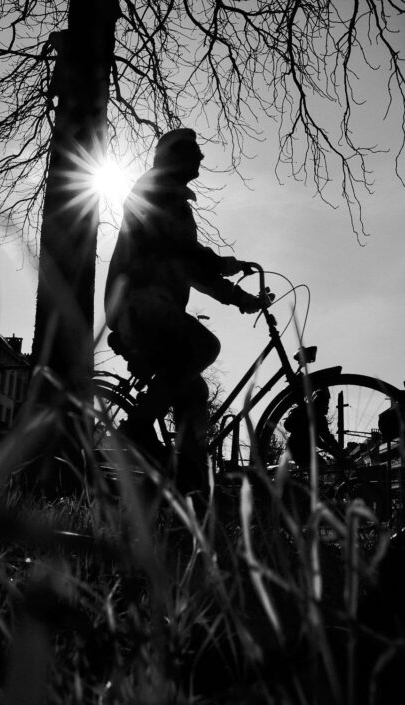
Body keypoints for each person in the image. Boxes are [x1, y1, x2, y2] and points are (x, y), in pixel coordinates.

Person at [104, 128, 263, 496]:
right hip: (137, 302)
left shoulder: (171, 198)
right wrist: (225, 265)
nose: (202, 159)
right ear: (176, 158)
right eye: (195, 153)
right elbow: (181, 254)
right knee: (205, 346)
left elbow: (188, 269)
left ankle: (188, 480)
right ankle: (138, 427)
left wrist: (241, 298)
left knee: (194, 390)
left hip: (151, 304)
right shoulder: (156, 194)